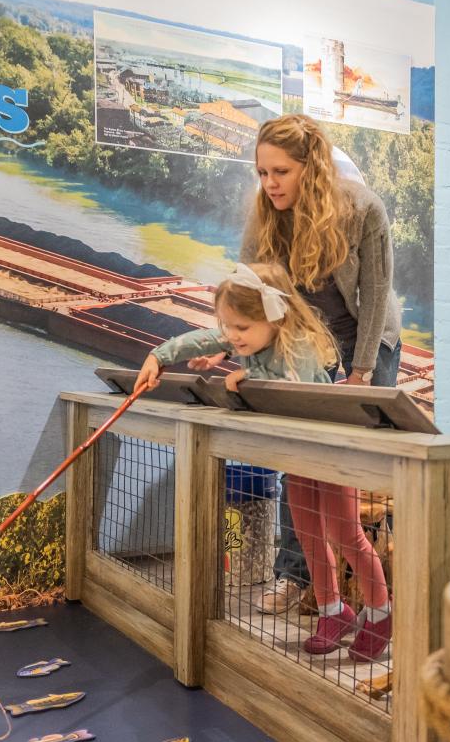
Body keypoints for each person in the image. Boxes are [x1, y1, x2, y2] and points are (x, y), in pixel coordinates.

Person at [190, 114, 403, 616]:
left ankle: (372, 594)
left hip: (364, 341)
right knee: (298, 464)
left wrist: (361, 375)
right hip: (306, 347)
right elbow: (244, 290)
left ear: (313, 167)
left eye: (281, 172)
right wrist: (225, 343)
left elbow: (374, 297)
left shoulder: (362, 210)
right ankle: (298, 577)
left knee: (344, 470)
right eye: (262, 173)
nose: (270, 184)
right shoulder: (265, 214)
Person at [137, 262, 392, 661]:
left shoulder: (300, 347)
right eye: (228, 326)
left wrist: (246, 379)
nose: (232, 337)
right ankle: (332, 610)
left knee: (346, 536)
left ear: (274, 318)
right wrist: (158, 356)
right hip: (296, 455)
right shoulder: (248, 343)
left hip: (332, 453)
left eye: (241, 328)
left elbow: (296, 392)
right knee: (308, 536)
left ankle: (380, 613)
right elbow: (203, 340)